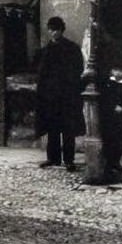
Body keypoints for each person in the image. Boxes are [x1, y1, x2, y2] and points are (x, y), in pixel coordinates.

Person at [36, 16, 85, 171]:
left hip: (67, 96)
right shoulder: (45, 51)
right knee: (52, 128)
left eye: (56, 29)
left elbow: (78, 71)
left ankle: (69, 160)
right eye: (51, 29)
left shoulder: (72, 49)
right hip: (50, 97)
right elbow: (41, 73)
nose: (53, 33)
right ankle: (53, 158)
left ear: (62, 30)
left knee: (68, 129)